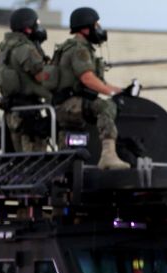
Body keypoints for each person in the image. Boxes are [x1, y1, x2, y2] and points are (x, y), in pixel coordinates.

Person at [52, 7, 130, 170]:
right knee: (106, 106)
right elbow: (87, 78)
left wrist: (121, 91)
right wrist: (111, 94)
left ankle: (65, 167)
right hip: (69, 105)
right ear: (86, 28)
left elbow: (98, 82)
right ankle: (108, 156)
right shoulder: (80, 49)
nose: (99, 30)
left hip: (66, 105)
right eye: (96, 25)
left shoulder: (74, 47)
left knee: (67, 157)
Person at [0, 8, 53, 153]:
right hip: (28, 114)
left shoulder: (4, 47)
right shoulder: (25, 48)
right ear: (27, 28)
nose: (38, 28)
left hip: (12, 113)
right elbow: (42, 76)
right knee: (35, 161)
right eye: (36, 24)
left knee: (17, 161)